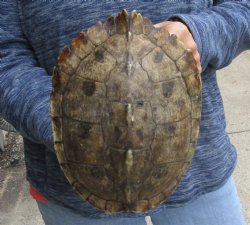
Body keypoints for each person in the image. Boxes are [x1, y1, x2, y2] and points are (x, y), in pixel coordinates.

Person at [0, 1, 249, 225]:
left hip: (199, 167)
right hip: (73, 188)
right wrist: (66, 123)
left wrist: (201, 33)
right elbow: (5, 58)